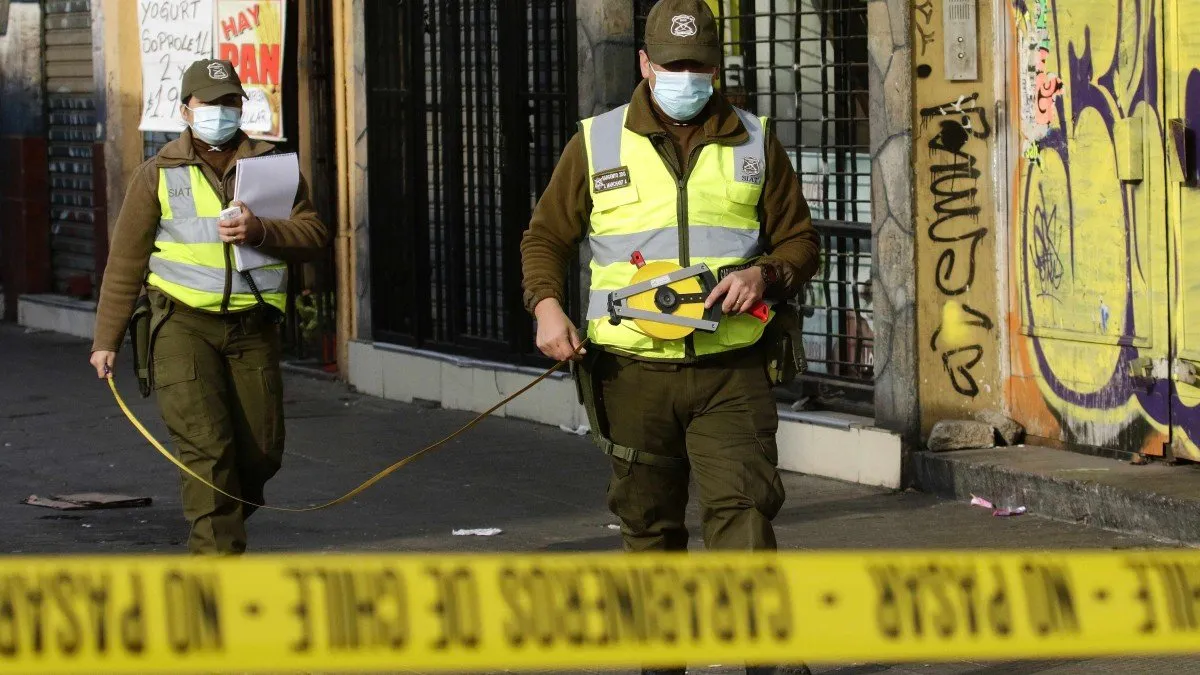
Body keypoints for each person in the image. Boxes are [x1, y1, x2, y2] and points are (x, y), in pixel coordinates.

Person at [520, 1, 819, 672]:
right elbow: (545, 236)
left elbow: (801, 239)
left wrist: (767, 274)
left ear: (717, 67)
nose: (687, 76)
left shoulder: (754, 139)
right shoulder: (595, 143)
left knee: (743, 520)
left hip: (730, 371)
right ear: (645, 65)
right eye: (673, 65)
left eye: (699, 65)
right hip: (630, 377)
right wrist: (546, 307)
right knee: (650, 534)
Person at [87, 59, 329, 555]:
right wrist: (105, 341)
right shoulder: (157, 174)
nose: (220, 112)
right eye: (209, 104)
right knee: (207, 452)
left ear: (241, 107)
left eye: (230, 103)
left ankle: (214, 524)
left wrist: (262, 230)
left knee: (261, 454)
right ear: (185, 110)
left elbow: (314, 234)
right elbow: (126, 262)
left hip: (253, 327)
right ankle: (214, 571)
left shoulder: (272, 167)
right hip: (181, 326)